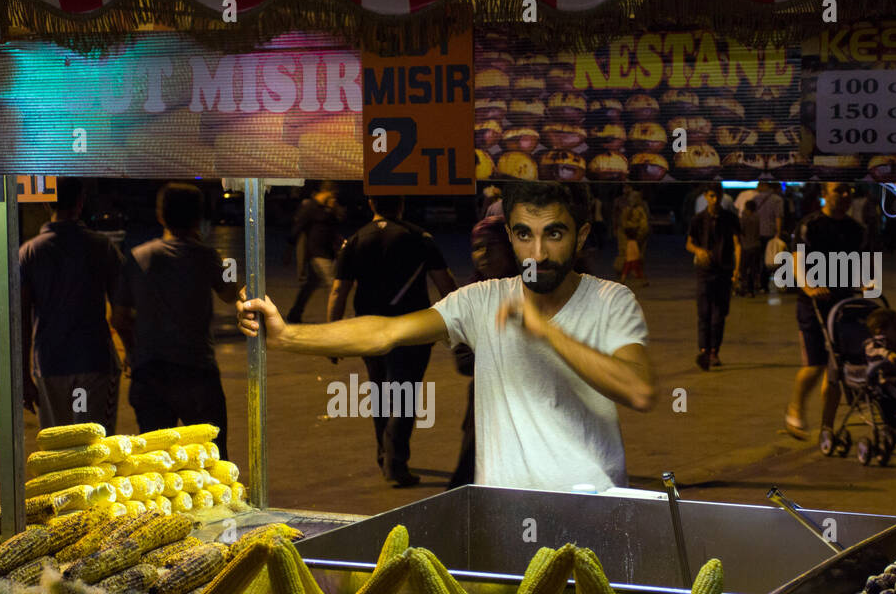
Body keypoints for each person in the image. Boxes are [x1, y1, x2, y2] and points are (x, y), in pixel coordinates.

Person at [239, 181, 656, 492]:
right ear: (510, 236)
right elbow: (385, 331)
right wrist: (286, 337)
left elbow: (638, 389)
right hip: (501, 510)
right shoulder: (482, 299)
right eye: (525, 235)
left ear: (580, 236)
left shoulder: (610, 301)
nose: (539, 253)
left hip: (593, 506)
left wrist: (546, 332)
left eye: (555, 234)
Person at [327, 195, 458, 486]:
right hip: (411, 331)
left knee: (380, 392)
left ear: (371, 203)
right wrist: (457, 326)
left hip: (369, 330)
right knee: (404, 395)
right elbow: (445, 284)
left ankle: (384, 454)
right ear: (401, 204)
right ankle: (395, 463)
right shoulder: (420, 238)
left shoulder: (356, 240)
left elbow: (339, 292)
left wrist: (333, 336)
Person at [113, 183, 238, 458]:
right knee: (212, 457)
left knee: (157, 463)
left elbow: (119, 317)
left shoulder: (139, 256)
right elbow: (231, 293)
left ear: (160, 216)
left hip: (150, 373)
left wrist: (133, 351)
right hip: (197, 373)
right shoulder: (206, 257)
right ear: (198, 218)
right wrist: (230, 266)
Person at [19, 178, 123, 434]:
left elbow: (20, 319)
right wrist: (131, 350)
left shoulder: (29, 252)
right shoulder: (102, 247)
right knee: (95, 450)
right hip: (95, 363)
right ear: (80, 201)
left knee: (59, 452)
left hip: (49, 364)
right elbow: (120, 312)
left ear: (46, 202)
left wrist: (22, 375)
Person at [785, 182, 865, 441]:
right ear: (824, 194)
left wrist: (865, 283)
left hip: (844, 306)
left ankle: (827, 428)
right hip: (813, 306)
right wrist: (809, 286)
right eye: (839, 190)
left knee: (837, 369)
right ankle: (794, 409)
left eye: (849, 191)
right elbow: (797, 262)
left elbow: (861, 265)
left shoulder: (856, 230)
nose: (845, 196)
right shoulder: (810, 225)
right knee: (814, 365)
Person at [448, 216, 516, 490]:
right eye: (477, 247)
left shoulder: (537, 291)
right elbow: (463, 360)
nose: (483, 254)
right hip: (487, 403)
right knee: (471, 475)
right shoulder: (469, 297)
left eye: (492, 245)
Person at [686, 184, 742, 370]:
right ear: (706, 196)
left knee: (719, 316)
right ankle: (703, 350)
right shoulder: (698, 219)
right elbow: (689, 243)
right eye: (711, 196)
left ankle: (714, 352)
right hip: (704, 272)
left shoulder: (730, 219)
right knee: (703, 313)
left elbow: (737, 244)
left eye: (717, 195)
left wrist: (737, 270)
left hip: (724, 271)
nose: (715, 199)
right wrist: (699, 251)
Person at [286, 181, 345, 324]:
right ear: (325, 192)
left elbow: (336, 224)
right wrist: (288, 251)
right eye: (332, 194)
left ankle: (295, 313)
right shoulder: (310, 207)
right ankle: (335, 320)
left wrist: (333, 210)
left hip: (327, 252)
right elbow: (297, 228)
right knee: (333, 285)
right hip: (317, 253)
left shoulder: (327, 208)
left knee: (310, 285)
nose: (334, 197)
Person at [737, 200, 764, 298]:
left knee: (744, 269)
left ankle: (744, 288)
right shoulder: (757, 218)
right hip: (756, 246)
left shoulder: (744, 218)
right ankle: (751, 289)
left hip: (746, 247)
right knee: (753, 269)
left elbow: (740, 231)